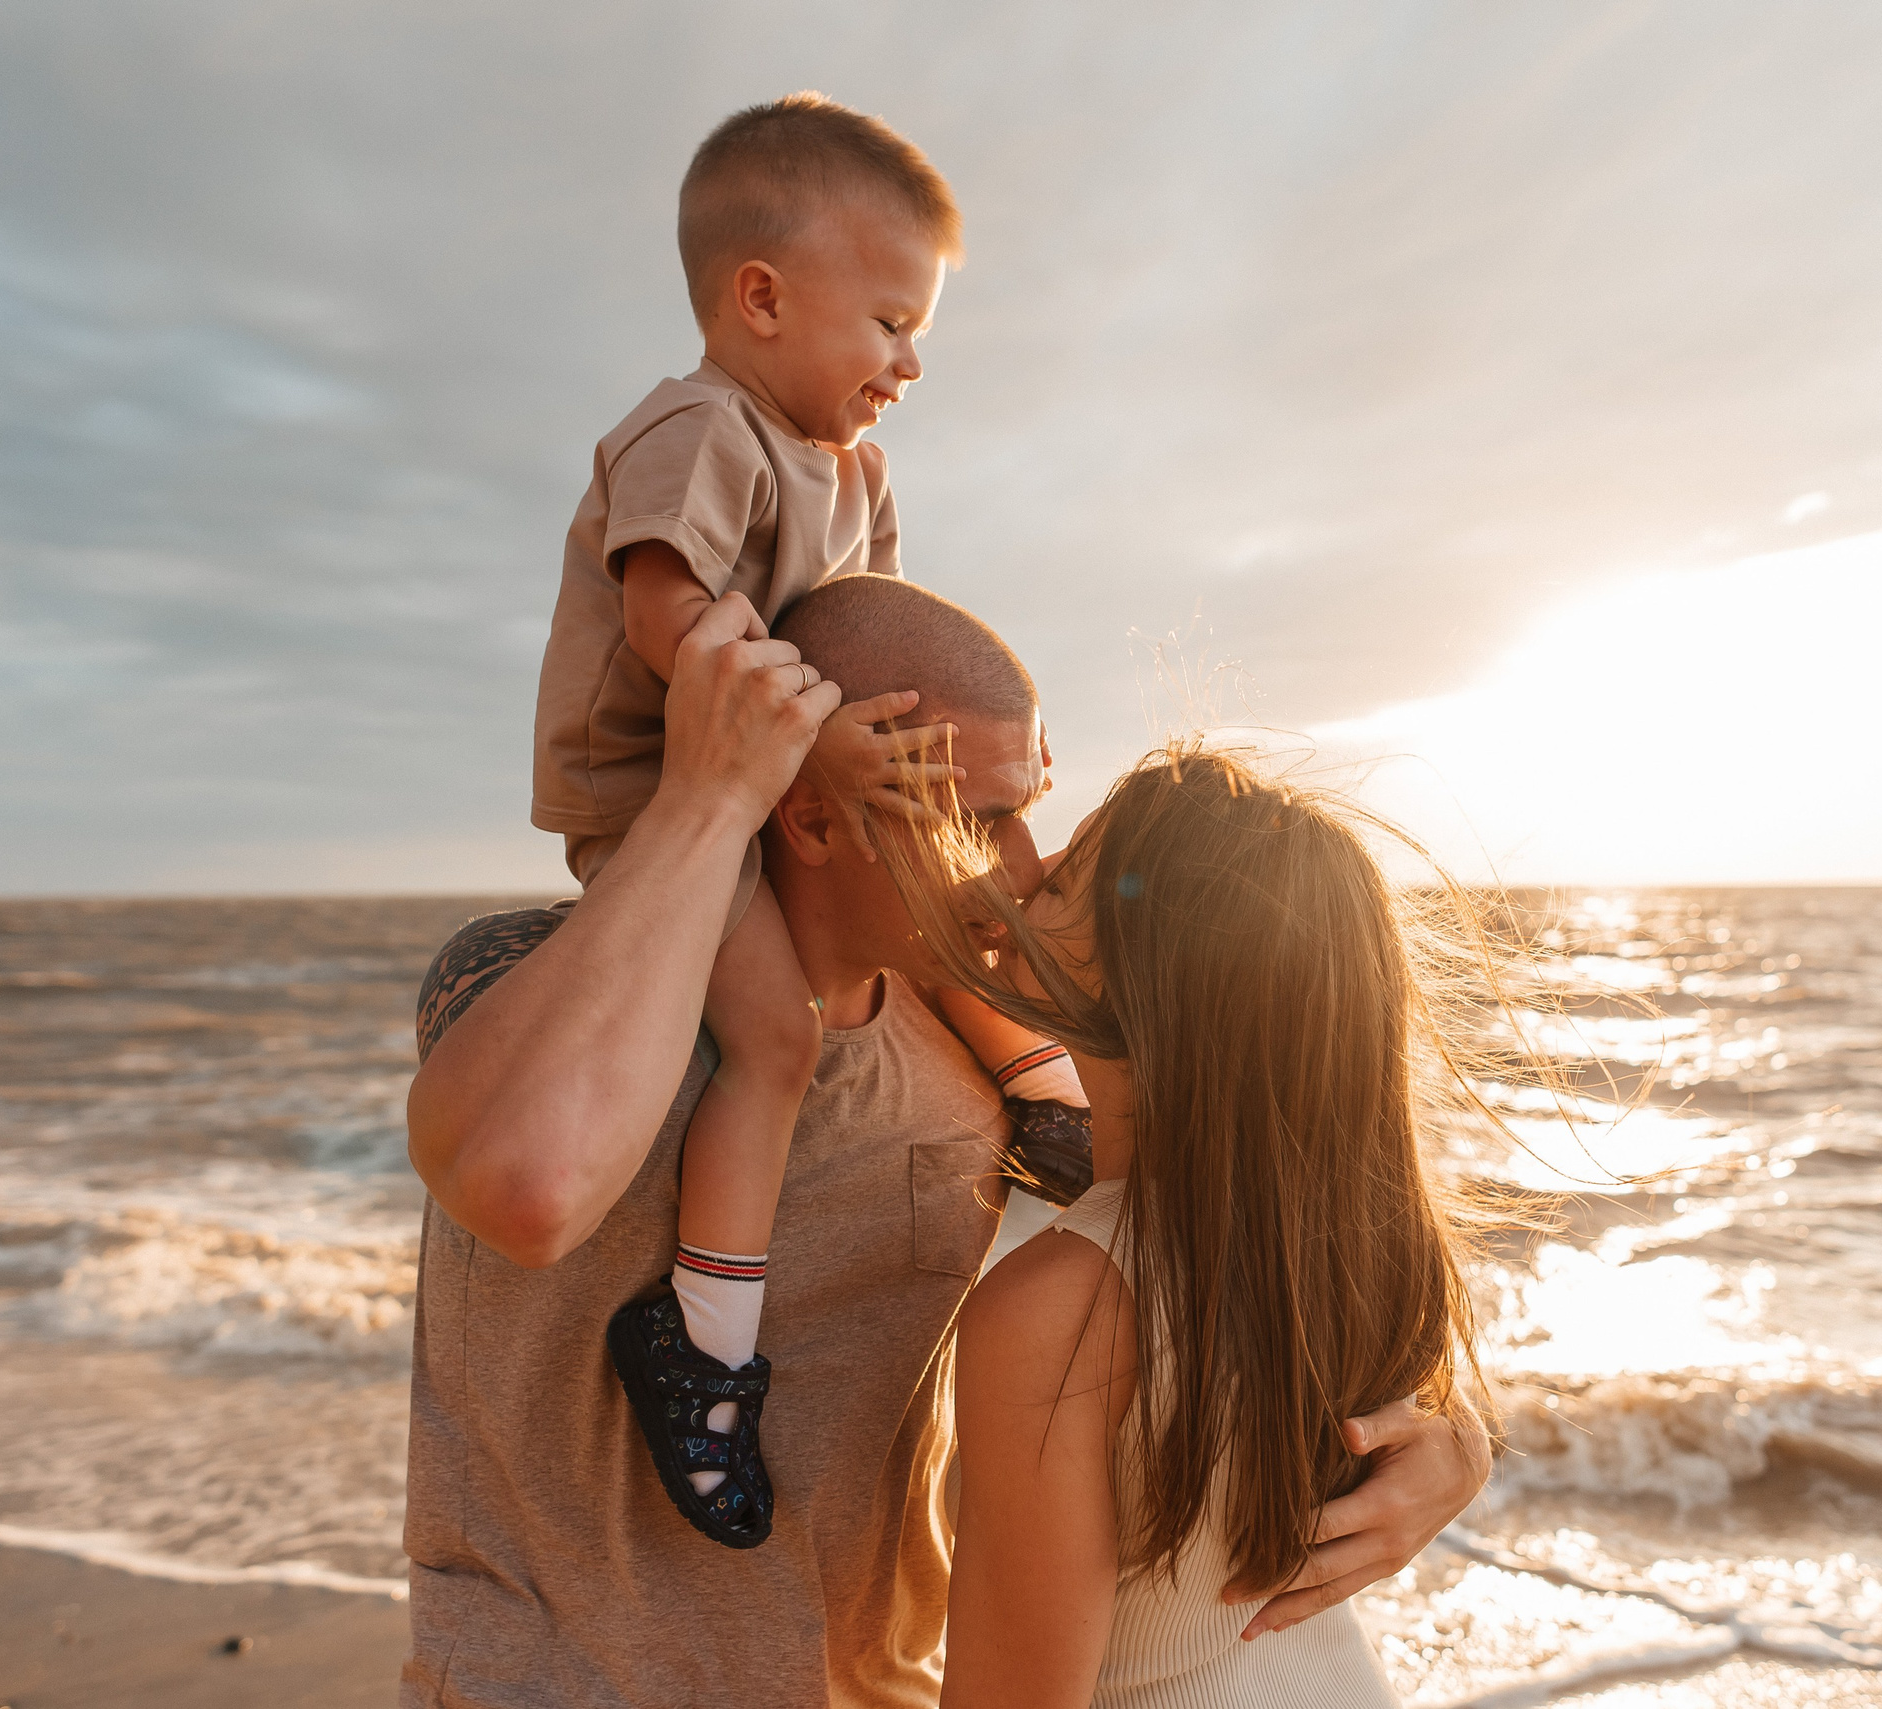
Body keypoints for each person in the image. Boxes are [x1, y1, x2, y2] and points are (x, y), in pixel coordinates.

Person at [400, 576, 1488, 1708]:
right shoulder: (536, 983)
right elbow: (522, 1182)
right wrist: (706, 796)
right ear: (815, 812)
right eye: (978, 818)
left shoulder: (982, 1045)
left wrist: (1440, 1429)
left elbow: (1262, 1190)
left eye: (1031, 814)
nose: (1020, 869)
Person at [526, 91, 1082, 1543]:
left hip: (789, 782)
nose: (909, 363)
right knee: (776, 1037)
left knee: (925, 904)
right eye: (891, 323)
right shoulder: (698, 430)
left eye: (921, 337)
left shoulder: (857, 475)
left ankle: (1043, 1082)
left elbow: (867, 625)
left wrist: (923, 740)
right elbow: (668, 617)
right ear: (761, 298)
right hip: (668, 796)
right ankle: (703, 1345)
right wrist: (827, 736)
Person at [901, 745, 1534, 1706]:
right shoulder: (1347, 1246)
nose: (1018, 880)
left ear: (1148, 971)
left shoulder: (1058, 1314)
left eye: (1065, 875)